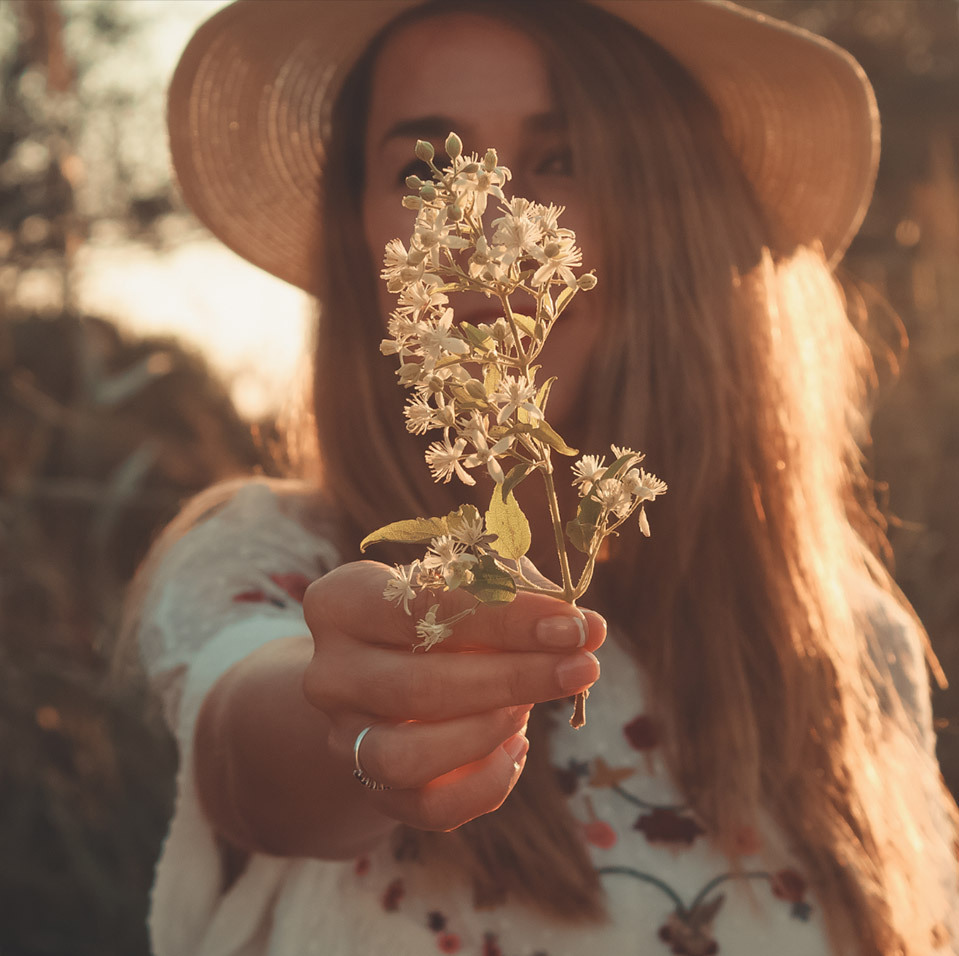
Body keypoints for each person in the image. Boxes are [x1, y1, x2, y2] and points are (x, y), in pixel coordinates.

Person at [128, 2, 959, 954]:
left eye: (561, 159)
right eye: (422, 170)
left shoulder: (850, 639)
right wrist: (360, 722)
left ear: (673, 215)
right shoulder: (273, 563)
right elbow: (251, 754)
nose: (490, 230)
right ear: (358, 237)